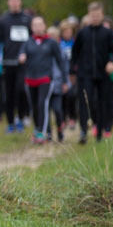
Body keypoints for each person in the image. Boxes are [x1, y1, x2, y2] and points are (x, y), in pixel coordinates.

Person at [70, 1, 113, 144]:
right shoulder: (82, 33)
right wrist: (72, 70)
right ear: (89, 15)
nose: (95, 18)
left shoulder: (108, 33)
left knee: (102, 102)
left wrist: (112, 62)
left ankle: (100, 131)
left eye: (97, 15)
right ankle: (84, 131)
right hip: (85, 74)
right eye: (92, 15)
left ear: (102, 15)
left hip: (103, 74)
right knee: (86, 102)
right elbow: (75, 52)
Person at [19, 15, 68, 144]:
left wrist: (64, 80)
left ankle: (43, 132)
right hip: (30, 79)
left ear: (44, 26)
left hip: (46, 78)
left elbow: (60, 62)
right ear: (31, 27)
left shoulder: (51, 43)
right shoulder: (28, 42)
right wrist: (22, 57)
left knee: (42, 103)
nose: (37, 27)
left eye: (40, 24)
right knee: (34, 106)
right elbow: (21, 53)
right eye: (35, 25)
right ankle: (37, 129)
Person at [0, 0, 33, 133]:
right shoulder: (2, 20)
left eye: (17, 0)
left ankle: (21, 119)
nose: (15, 3)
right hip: (8, 62)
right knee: (8, 93)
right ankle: (10, 122)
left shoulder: (28, 19)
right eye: (12, 0)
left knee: (21, 90)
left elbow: (33, 38)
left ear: (20, 2)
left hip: (24, 63)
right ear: (8, 2)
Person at [46, 24, 68, 142]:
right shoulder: (43, 50)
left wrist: (65, 82)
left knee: (58, 110)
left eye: (54, 37)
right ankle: (48, 133)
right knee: (46, 111)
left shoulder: (61, 52)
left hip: (58, 85)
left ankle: (60, 130)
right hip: (45, 84)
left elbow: (64, 68)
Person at [58, 19, 79, 129]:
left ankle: (73, 118)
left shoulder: (75, 42)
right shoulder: (58, 43)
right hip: (62, 74)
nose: (67, 33)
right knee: (63, 97)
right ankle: (63, 118)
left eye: (69, 31)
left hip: (73, 73)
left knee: (72, 96)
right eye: (65, 31)